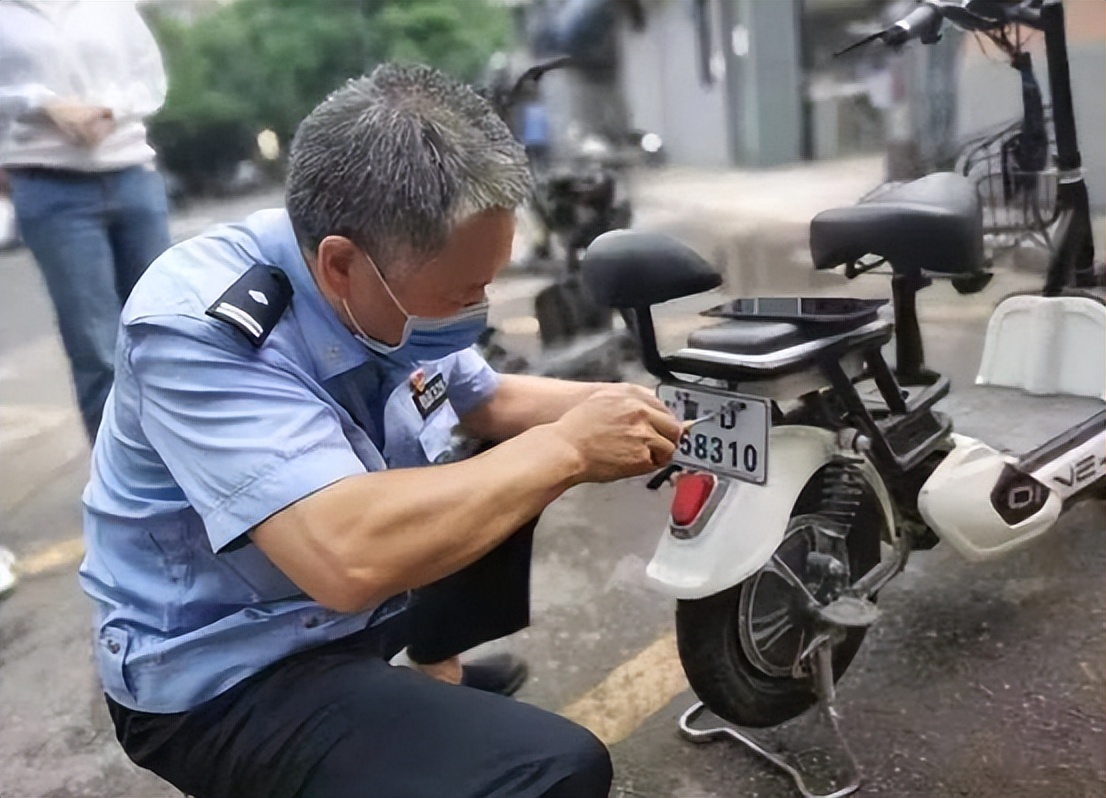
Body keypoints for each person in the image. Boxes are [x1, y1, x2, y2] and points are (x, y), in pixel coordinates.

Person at [79, 63, 681, 798]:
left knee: (499, 453)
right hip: (228, 672)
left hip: (347, 616)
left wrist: (647, 406)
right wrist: (568, 447)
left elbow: (487, 400)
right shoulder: (201, 330)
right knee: (555, 771)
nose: (480, 308)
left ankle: (429, 665)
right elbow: (346, 559)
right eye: (464, 291)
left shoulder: (386, 278)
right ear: (342, 265)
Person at [0, 0, 171, 441]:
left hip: (131, 172)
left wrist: (108, 109)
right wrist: (43, 103)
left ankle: (193, 457)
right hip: (49, 184)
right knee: (96, 348)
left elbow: (149, 77)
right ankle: (123, 476)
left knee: (167, 329)